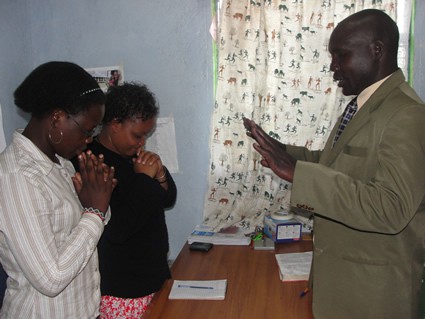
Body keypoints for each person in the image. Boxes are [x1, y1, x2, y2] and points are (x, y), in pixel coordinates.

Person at [244, 9, 425, 319]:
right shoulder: (362, 106)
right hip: (343, 286)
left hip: (374, 297)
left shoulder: (406, 115)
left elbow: (390, 208)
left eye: (341, 55)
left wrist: (299, 173)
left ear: (376, 51)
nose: (333, 66)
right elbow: (333, 165)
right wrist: (284, 154)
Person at [0, 61, 117, 318]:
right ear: (57, 119)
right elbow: (50, 279)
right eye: (87, 130)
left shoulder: (61, 163)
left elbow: (80, 233)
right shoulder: (17, 176)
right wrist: (95, 211)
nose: (89, 140)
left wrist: (95, 204)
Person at [76, 82, 177, 318]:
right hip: (123, 289)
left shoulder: (134, 156)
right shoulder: (93, 164)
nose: (142, 142)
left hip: (153, 277)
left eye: (146, 135)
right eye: (137, 135)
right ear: (114, 124)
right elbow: (118, 228)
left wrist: (160, 173)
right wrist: (144, 177)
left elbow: (167, 199)